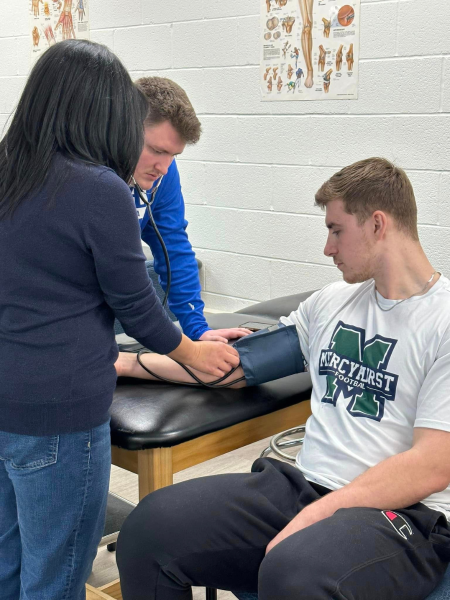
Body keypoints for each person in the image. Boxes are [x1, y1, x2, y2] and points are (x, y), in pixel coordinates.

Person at [116, 158, 450, 600]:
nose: (327, 249)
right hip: (301, 488)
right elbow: (232, 367)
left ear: (377, 224)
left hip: (404, 515)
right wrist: (125, 363)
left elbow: (433, 464)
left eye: (336, 230)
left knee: (295, 573)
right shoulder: (332, 301)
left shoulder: (442, 321)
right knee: (149, 529)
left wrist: (320, 515)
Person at [0, 40, 239, 600]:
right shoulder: (98, 186)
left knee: (10, 562)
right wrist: (194, 351)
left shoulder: (10, 170)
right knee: (56, 578)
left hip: (8, 401)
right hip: (62, 413)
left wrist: (188, 331)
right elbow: (136, 304)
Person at [130, 76, 251, 343]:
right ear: (124, 129)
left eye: (173, 155)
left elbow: (172, 245)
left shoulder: (162, 174)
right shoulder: (85, 174)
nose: (163, 167)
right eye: (157, 150)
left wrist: (198, 329)